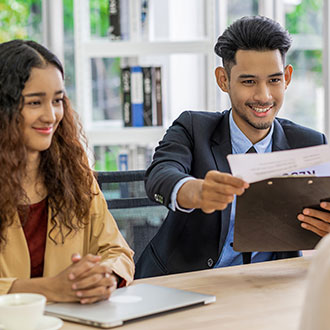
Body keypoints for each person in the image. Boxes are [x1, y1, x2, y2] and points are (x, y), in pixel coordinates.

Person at [135, 16, 329, 279]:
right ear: (223, 80)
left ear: (287, 77)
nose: (264, 96)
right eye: (249, 82)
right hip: (185, 283)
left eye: (274, 80)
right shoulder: (193, 128)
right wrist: (196, 191)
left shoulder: (310, 144)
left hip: (270, 286)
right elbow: (159, 175)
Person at [0, 40, 135, 303]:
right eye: (35, 102)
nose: (51, 116)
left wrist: (104, 276)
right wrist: (49, 289)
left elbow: (117, 251)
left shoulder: (74, 173)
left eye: (57, 100)